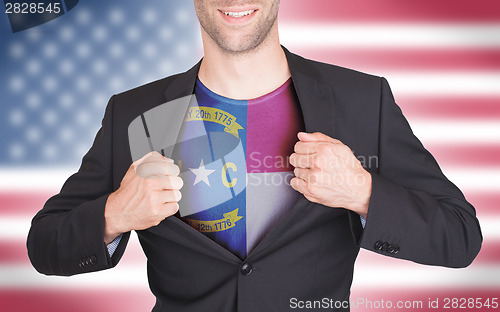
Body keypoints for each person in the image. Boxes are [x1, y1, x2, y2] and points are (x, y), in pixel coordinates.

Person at [27, 1, 482, 311]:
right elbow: (45, 245)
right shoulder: (134, 112)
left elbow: (460, 236)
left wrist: (363, 192)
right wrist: (114, 214)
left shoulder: (363, 100)